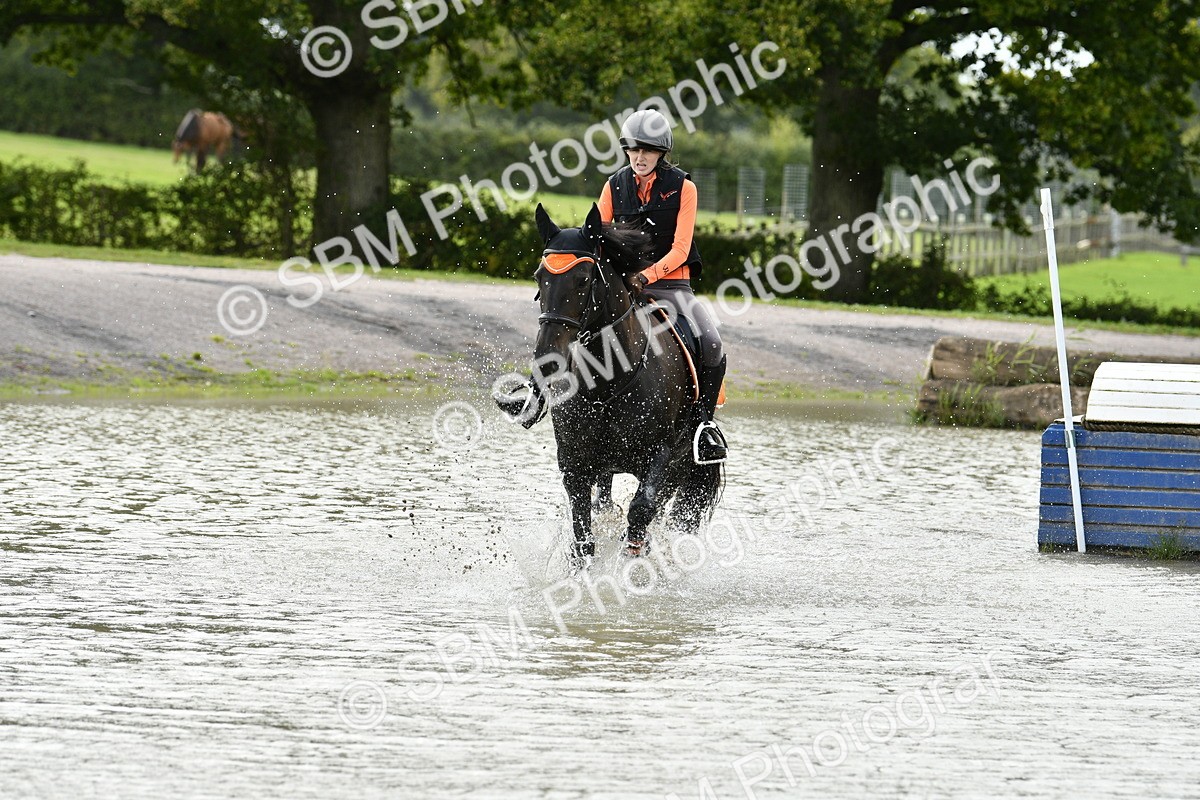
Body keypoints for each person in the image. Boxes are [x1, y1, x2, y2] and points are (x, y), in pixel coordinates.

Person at [598, 109, 727, 464]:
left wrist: (646, 277)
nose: (640, 158)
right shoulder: (613, 186)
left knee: (712, 343)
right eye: (633, 150)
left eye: (649, 151)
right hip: (624, 286)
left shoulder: (684, 187)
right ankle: (541, 394)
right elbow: (598, 238)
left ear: (662, 153)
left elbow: (681, 249)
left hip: (672, 285)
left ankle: (704, 429)